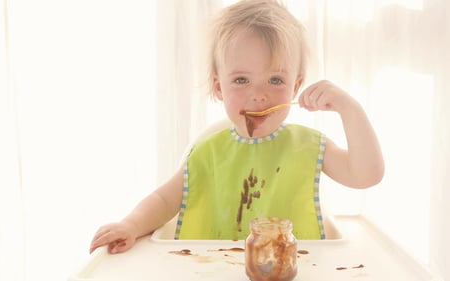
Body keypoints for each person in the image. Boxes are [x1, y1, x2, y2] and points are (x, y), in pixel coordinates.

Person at [89, 0, 384, 254]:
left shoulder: (309, 146)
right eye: (242, 80)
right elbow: (165, 199)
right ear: (220, 87)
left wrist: (349, 109)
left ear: (295, 86)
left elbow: (366, 175)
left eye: (275, 80)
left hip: (293, 269)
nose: (259, 94)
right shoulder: (207, 152)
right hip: (213, 268)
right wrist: (130, 224)